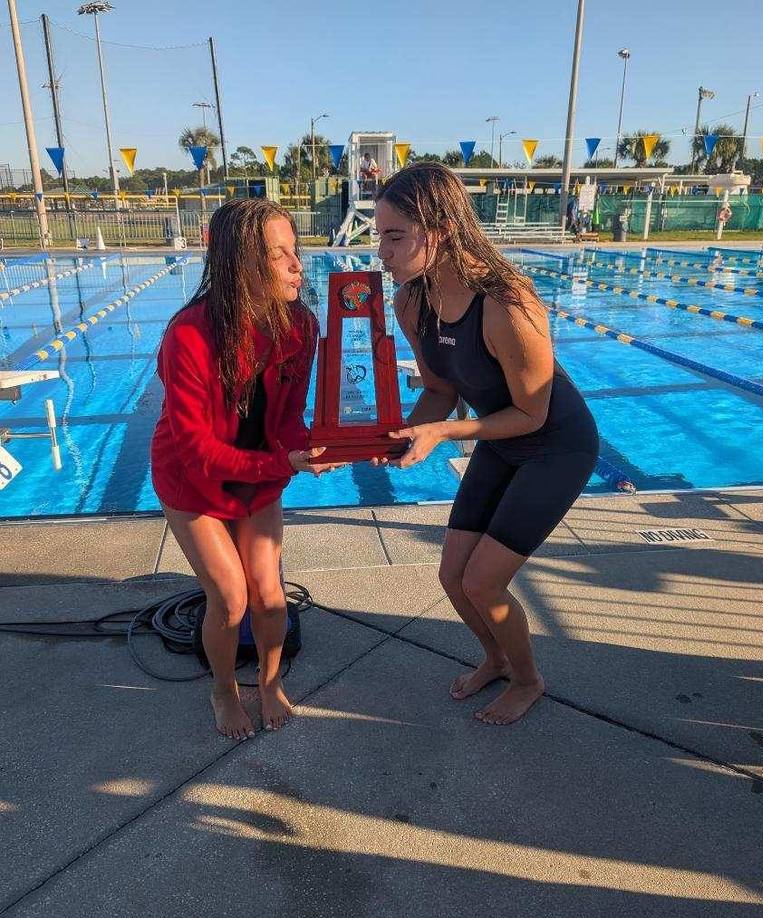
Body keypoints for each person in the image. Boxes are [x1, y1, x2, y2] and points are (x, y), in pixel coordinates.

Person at [374, 163, 599, 726]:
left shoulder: (507, 303)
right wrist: (393, 437)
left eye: (394, 236)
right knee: (452, 576)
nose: (382, 250)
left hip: (555, 446)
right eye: (379, 235)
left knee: (483, 580)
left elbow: (531, 412)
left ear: (440, 230)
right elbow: (441, 392)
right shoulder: (412, 302)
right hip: (501, 440)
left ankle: (528, 679)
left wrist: (444, 433)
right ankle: (496, 658)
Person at [151, 199, 339, 738]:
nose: (297, 265)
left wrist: (318, 448)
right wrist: (283, 460)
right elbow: (196, 450)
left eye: (295, 252)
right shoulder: (189, 335)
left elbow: (290, 419)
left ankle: (271, 680)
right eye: (280, 256)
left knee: (269, 594)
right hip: (192, 480)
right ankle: (223, 689)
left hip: (260, 471)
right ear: (240, 265)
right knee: (231, 598)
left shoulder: (300, 325)